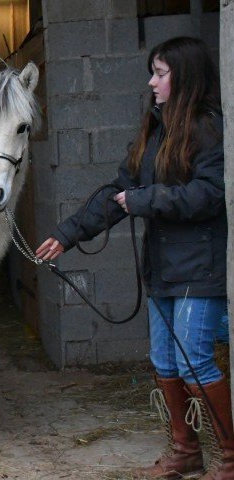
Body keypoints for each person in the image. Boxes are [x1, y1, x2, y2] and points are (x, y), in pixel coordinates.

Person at [35, 37, 231, 479]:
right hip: (162, 267)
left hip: (200, 268)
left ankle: (231, 457)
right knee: (164, 360)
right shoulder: (154, 131)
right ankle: (185, 450)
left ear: (185, 78)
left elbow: (210, 195)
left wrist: (146, 198)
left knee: (195, 360)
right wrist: (67, 234)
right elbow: (117, 194)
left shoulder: (208, 130)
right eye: (154, 72)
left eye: (160, 73)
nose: (152, 81)